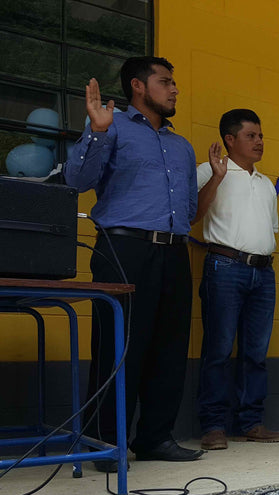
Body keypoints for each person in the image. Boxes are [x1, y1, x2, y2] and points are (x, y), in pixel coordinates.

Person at [64, 57, 203, 469]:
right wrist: (98, 132)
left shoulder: (182, 146)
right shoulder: (111, 126)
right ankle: (104, 443)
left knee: (170, 347)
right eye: (165, 81)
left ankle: (156, 438)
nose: (175, 88)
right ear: (138, 87)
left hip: (175, 250)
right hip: (123, 248)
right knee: (118, 345)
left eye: (174, 82)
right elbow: (77, 180)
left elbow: (190, 206)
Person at [193, 109, 279, 451]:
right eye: (251, 136)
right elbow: (193, 214)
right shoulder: (209, 171)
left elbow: (271, 230)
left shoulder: (265, 184)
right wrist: (216, 177)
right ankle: (214, 425)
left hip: (263, 271)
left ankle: (251, 422)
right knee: (218, 348)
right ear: (229, 140)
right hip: (225, 267)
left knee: (255, 352)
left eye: (261, 136)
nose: (259, 141)